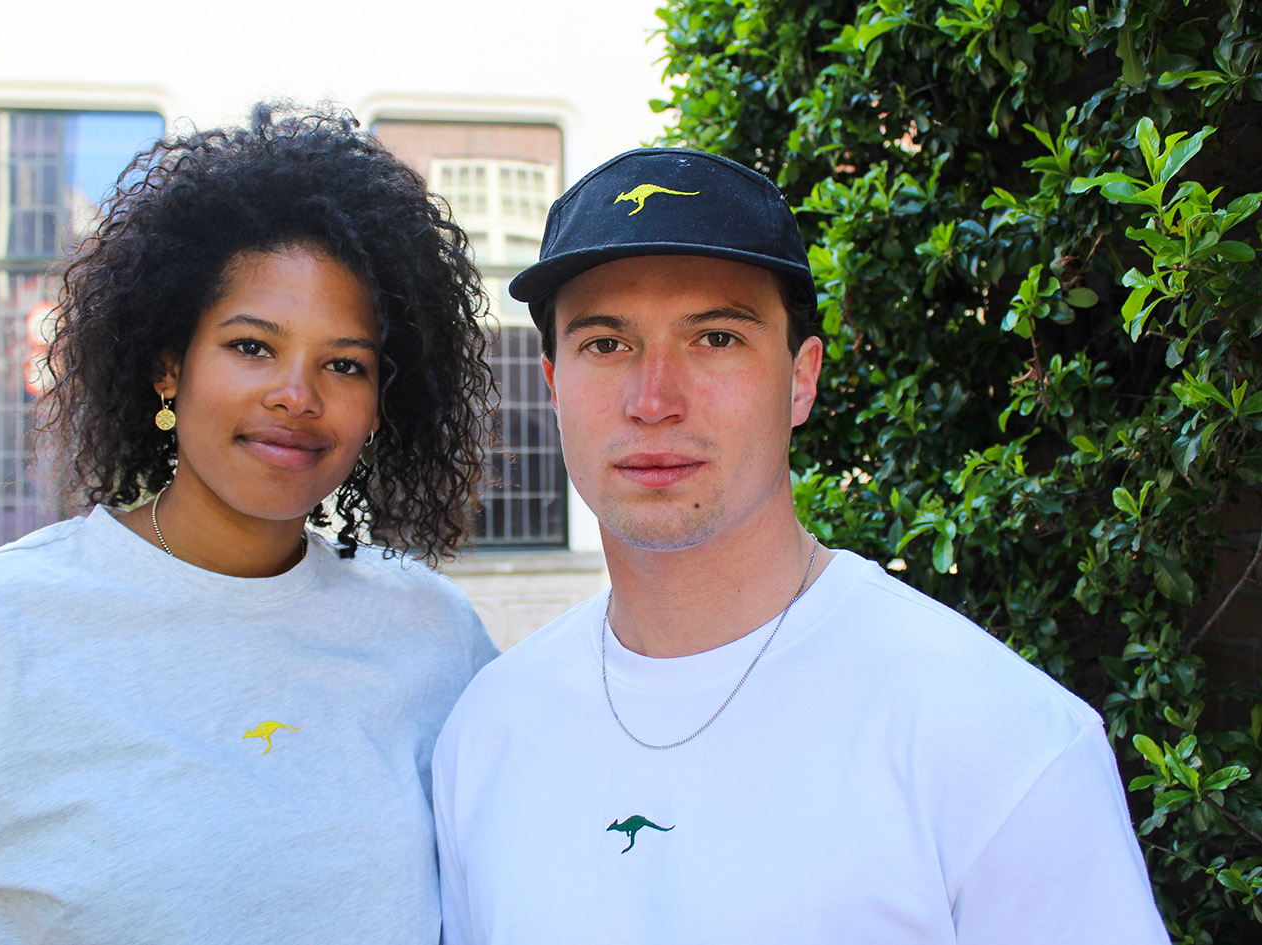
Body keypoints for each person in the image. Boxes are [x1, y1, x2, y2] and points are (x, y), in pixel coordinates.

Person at [432, 148, 1169, 944]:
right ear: (553, 383)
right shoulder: (488, 733)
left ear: (800, 379)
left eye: (715, 337)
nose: (652, 400)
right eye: (606, 344)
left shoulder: (999, 739)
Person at [0, 104, 499, 944]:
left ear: (379, 405)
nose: (296, 395)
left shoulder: (433, 636)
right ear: (167, 367)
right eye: (252, 346)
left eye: (344, 363)